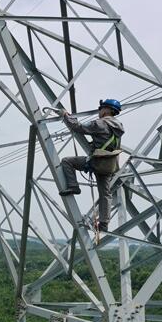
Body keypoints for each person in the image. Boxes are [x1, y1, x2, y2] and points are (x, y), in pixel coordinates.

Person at [58, 99, 124, 232]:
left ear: (107, 110)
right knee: (105, 194)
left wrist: (66, 115)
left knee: (66, 161)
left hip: (97, 162)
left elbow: (78, 127)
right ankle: (104, 224)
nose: (99, 111)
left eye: (101, 109)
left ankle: (73, 186)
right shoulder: (118, 127)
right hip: (110, 165)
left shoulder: (100, 124)